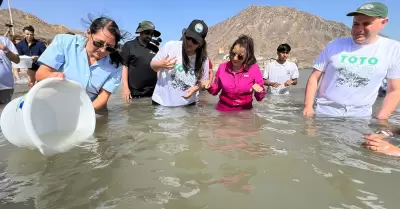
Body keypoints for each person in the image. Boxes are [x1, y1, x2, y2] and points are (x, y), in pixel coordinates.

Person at [303, 2, 400, 119]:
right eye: (356, 24)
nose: (359, 29)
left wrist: (381, 119)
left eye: (366, 24)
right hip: (324, 113)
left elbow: (394, 90)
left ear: (383, 23)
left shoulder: (393, 49)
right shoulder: (334, 45)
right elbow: (314, 77)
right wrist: (308, 107)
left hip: (360, 117)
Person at [36, 16, 124, 111]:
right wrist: (51, 76)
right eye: (99, 43)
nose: (102, 50)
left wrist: (84, 114)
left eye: (109, 48)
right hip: (55, 106)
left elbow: (102, 98)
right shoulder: (65, 43)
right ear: (88, 33)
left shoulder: (116, 64)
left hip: (92, 110)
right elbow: (40, 74)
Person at [150, 19, 209, 106]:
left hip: (187, 106)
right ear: (184, 34)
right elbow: (152, 65)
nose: (189, 42)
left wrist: (195, 89)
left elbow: (204, 82)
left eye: (195, 41)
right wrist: (161, 64)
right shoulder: (170, 46)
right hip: (162, 104)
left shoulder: (203, 59)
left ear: (200, 44)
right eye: (188, 37)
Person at [202, 35, 265, 111]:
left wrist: (259, 91)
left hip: (244, 113)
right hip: (223, 112)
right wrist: (209, 86)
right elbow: (215, 90)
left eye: (240, 56)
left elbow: (259, 98)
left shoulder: (254, 69)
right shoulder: (222, 67)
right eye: (233, 54)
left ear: (247, 56)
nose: (235, 58)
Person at [121, 21, 161, 102]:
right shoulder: (129, 46)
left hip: (152, 92)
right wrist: (125, 88)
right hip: (134, 93)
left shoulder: (155, 48)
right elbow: (124, 66)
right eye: (147, 33)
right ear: (140, 32)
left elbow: (158, 69)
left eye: (151, 34)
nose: (149, 36)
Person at [0, 36, 20, 104]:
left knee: (4, 113)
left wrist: (5, 49)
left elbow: (17, 60)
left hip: (5, 87)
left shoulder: (5, 40)